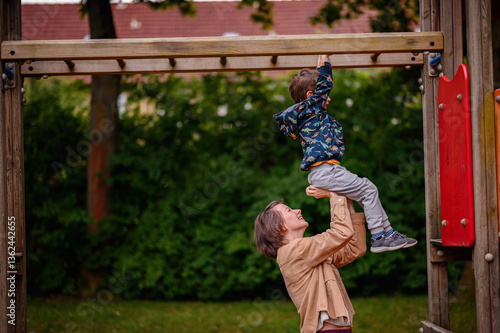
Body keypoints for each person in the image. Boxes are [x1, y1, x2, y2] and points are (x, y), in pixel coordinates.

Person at [273, 54, 417, 253]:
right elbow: (324, 86)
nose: (329, 98)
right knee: (368, 190)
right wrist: (325, 63)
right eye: (324, 95)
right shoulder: (311, 111)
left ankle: (388, 233)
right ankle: (379, 237)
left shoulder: (311, 116)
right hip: (326, 172)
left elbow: (321, 89)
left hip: (325, 172)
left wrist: (318, 69)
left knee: (367, 192)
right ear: (310, 96)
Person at [254, 186, 365, 333]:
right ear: (280, 226)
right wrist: (334, 197)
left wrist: (348, 204)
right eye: (289, 210)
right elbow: (341, 233)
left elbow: (354, 248)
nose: (297, 210)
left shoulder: (307, 253)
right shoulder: (295, 251)